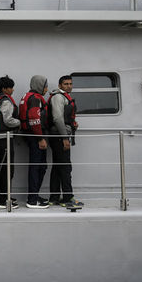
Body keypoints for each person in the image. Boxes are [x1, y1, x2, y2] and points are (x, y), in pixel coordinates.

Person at [48, 75, 84, 208]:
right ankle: (68, 198)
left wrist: (72, 124)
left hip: (59, 135)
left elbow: (64, 117)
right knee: (65, 167)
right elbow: (57, 118)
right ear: (60, 86)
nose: (69, 86)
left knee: (58, 167)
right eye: (65, 84)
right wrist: (64, 138)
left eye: (70, 83)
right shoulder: (58, 97)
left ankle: (54, 197)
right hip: (59, 136)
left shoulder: (63, 97)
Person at [0, 75, 20, 209]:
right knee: (8, 169)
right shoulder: (5, 101)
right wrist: (20, 122)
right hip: (4, 138)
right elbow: (8, 120)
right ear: (4, 89)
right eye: (10, 87)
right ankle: (3, 199)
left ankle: (5, 195)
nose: (12, 90)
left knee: (6, 168)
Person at [19, 75, 50, 209]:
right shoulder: (35, 99)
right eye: (45, 86)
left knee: (40, 167)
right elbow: (34, 119)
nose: (47, 89)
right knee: (37, 167)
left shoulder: (29, 96)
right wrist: (40, 138)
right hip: (36, 136)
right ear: (39, 85)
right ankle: (32, 199)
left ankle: (35, 195)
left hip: (32, 135)